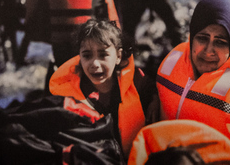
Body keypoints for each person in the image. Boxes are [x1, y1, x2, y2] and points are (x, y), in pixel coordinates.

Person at [155, 0, 230, 160]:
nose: (208, 51)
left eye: (220, 42)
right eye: (202, 38)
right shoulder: (171, 63)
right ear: (192, 37)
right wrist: (153, 98)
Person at [49, 19, 154, 156]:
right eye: (87, 55)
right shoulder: (68, 97)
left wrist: (155, 99)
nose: (95, 63)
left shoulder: (137, 82)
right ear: (79, 57)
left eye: (103, 54)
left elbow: (154, 88)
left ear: (118, 56)